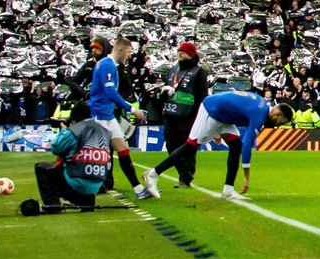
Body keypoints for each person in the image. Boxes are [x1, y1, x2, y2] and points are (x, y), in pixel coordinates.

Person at [145, 91, 293, 200]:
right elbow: (248, 146)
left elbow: (235, 104)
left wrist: (218, 132)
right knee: (190, 147)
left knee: (235, 146)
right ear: (278, 115)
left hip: (223, 117)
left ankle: (228, 190)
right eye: (282, 122)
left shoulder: (261, 104)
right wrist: (247, 176)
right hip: (211, 111)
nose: (279, 126)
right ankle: (152, 174)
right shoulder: (259, 115)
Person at [90, 36, 150, 199]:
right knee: (100, 156)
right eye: (129, 52)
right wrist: (132, 109)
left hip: (108, 115)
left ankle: (138, 190)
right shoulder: (106, 65)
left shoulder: (112, 66)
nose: (130, 56)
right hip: (100, 116)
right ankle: (87, 187)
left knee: (123, 150)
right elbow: (110, 93)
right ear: (121, 50)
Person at [34, 117, 114, 213]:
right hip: (97, 186)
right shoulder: (104, 131)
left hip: (76, 184)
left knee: (42, 168)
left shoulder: (76, 130)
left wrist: (64, 130)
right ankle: (87, 200)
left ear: (74, 121)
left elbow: (56, 148)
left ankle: (53, 205)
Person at [158, 42, 210, 188]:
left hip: (188, 116)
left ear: (191, 54)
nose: (180, 53)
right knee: (170, 146)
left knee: (187, 148)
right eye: (179, 50)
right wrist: (162, 95)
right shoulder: (173, 70)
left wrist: (197, 116)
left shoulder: (199, 72)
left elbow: (202, 96)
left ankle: (185, 178)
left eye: (184, 51)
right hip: (170, 114)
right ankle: (182, 173)